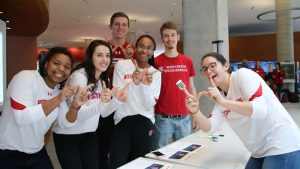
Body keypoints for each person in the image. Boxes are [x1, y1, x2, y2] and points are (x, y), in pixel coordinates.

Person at [185, 52, 300, 169]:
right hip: (259, 151)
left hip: (282, 143)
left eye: (212, 65)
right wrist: (195, 112)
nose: (208, 71)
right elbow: (210, 128)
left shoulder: (242, 75)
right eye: (204, 69)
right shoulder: (220, 96)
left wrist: (224, 102)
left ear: (226, 66)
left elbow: (260, 110)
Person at [0, 47, 82, 169]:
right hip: (8, 153)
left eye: (67, 66)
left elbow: (65, 124)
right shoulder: (25, 78)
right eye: (56, 63)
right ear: (46, 64)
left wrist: (75, 105)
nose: (61, 69)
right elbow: (22, 118)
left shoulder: (59, 91)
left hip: (37, 152)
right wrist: (58, 98)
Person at [52, 40, 128, 169]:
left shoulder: (104, 79)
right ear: (90, 56)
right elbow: (77, 114)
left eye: (108, 55)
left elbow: (103, 113)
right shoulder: (80, 77)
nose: (104, 59)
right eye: (99, 55)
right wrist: (100, 104)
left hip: (89, 134)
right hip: (67, 135)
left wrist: (117, 101)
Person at [108, 34, 161, 169]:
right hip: (123, 121)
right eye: (141, 46)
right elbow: (119, 95)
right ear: (135, 47)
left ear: (152, 52)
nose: (144, 50)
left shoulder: (155, 73)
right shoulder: (122, 65)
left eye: (149, 48)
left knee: (140, 165)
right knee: (116, 164)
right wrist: (135, 82)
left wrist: (143, 85)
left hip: (145, 123)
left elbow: (149, 104)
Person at [98, 11, 135, 169]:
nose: (120, 27)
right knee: (103, 143)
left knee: (122, 145)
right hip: (107, 100)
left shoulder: (133, 50)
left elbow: (138, 76)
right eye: (117, 24)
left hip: (125, 104)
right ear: (111, 26)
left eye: (124, 24)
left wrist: (129, 61)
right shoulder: (103, 49)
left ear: (128, 28)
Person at [154, 21, 197, 149]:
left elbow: (191, 87)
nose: (170, 39)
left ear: (178, 37)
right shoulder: (156, 62)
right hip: (163, 119)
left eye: (173, 35)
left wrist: (195, 113)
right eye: (166, 36)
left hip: (184, 118)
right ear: (162, 38)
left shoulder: (187, 61)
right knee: (161, 155)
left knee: (185, 154)